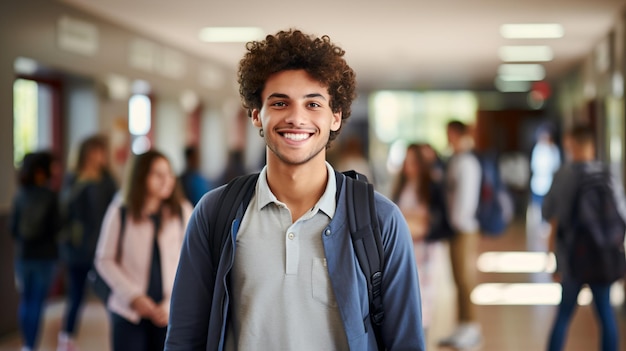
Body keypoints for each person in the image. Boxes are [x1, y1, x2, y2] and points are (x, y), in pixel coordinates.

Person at [165, 29, 425, 350]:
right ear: (257, 115)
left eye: (313, 103)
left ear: (335, 117)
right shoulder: (215, 213)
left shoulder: (380, 220)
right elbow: (184, 337)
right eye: (280, 102)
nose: (296, 117)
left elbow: (406, 342)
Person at [95, 149, 192, 351]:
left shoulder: (182, 211)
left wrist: (171, 302)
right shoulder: (120, 211)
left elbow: (191, 262)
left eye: (169, 174)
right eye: (158, 175)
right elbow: (104, 259)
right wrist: (133, 296)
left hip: (169, 311)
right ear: (140, 177)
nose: (166, 180)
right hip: (128, 311)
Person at [543, 125, 624, 351]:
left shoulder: (564, 175)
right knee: (605, 311)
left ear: (572, 144)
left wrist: (552, 257)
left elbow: (553, 219)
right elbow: (620, 215)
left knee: (564, 313)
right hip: (603, 255)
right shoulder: (607, 173)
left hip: (573, 255)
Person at [57, 135, 118, 351]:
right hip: (77, 248)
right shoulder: (74, 179)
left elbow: (116, 209)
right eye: (93, 152)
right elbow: (64, 209)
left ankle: (119, 337)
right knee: (76, 294)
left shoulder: (108, 180)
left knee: (110, 295)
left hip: (103, 247)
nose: (97, 157)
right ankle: (67, 338)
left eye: (100, 151)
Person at [390, 143, 450, 339]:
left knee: (424, 294)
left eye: (413, 162)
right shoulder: (401, 186)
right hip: (407, 247)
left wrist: (412, 220)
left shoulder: (430, 186)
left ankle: (421, 333)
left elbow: (428, 220)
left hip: (426, 249)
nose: (409, 166)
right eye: (406, 162)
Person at [438, 120, 483, 350]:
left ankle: (471, 326)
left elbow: (466, 198)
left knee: (465, 278)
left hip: (463, 228)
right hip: (457, 227)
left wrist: (455, 222)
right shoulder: (456, 160)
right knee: (457, 278)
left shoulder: (467, 162)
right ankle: (462, 324)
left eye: (449, 133)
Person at [10, 151, 61, 351]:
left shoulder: (20, 195)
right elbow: (57, 226)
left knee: (26, 300)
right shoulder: (50, 196)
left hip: (23, 256)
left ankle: (26, 345)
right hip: (45, 256)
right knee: (37, 303)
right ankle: (31, 344)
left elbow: (12, 228)